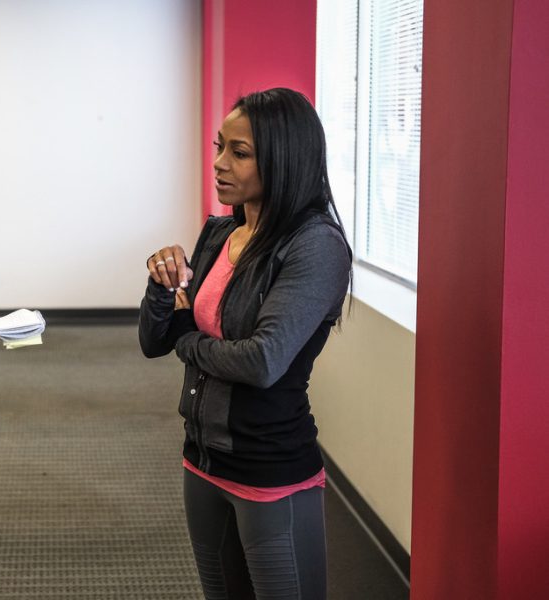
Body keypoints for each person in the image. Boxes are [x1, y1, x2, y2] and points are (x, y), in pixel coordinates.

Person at [139, 88, 352, 599]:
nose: (219, 164)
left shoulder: (315, 245)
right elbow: (154, 340)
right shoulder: (217, 233)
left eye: (239, 152)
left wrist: (188, 338)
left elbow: (262, 360)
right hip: (202, 459)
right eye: (219, 147)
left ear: (283, 159)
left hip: (269, 472)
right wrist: (158, 285)